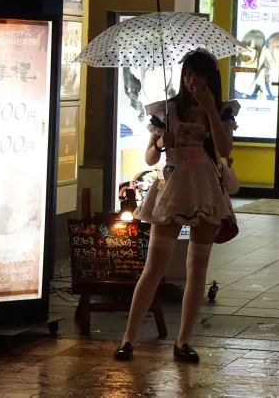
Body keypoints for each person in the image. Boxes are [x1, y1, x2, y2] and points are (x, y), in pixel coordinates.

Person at [114, 49, 238, 364]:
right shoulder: (167, 109)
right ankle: (128, 339)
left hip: (206, 188)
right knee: (155, 267)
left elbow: (223, 149)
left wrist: (211, 111)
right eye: (188, 74)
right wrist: (160, 142)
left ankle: (183, 341)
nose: (191, 80)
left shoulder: (221, 111)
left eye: (198, 74)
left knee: (197, 270)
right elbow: (150, 158)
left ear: (210, 78)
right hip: (170, 185)